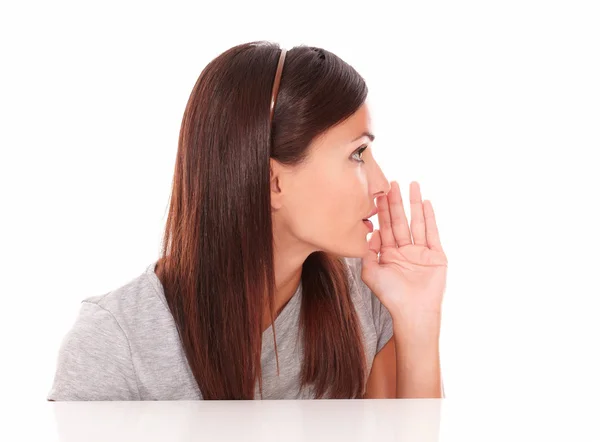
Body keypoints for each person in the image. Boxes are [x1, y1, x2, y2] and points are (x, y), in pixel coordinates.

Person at [47, 41, 447, 401]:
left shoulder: (366, 296)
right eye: (358, 154)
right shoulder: (114, 343)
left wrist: (418, 320)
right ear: (272, 181)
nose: (380, 184)